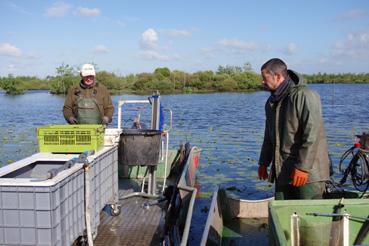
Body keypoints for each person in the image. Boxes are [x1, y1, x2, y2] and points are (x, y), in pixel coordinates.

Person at [258, 58, 330, 200]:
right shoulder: (271, 102)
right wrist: (263, 162)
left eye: (264, 78)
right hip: (283, 170)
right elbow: (269, 135)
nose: (262, 82)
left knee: (311, 218)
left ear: (278, 76)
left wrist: (303, 168)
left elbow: (312, 135)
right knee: (283, 214)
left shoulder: (305, 95)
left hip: (309, 174)